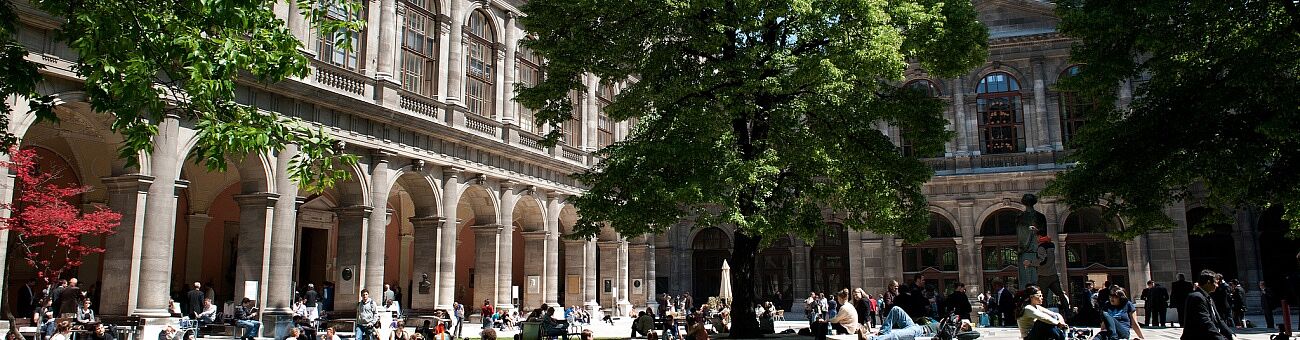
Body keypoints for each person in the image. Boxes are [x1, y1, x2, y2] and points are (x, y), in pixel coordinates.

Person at [1023, 227, 1070, 311]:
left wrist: (1029, 263)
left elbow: (1042, 260)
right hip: (1053, 274)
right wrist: (1037, 230)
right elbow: (1046, 237)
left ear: (1039, 236)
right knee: (1060, 294)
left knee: (1042, 296)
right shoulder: (1051, 245)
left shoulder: (1041, 247)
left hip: (1044, 276)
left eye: (1037, 237)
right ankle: (1067, 311)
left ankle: (1043, 313)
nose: (1036, 239)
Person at [1181, 269, 1233, 340]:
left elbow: (1219, 319)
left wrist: (1231, 334)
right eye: (1215, 282)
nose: (1217, 285)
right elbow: (1205, 322)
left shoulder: (1208, 297)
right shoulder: (1196, 297)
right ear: (1208, 282)